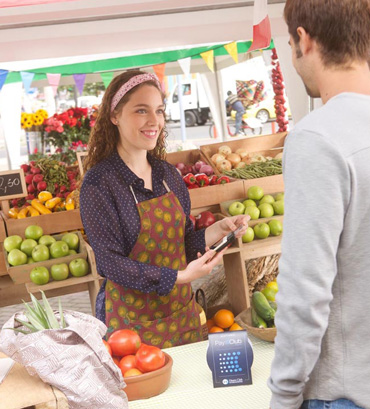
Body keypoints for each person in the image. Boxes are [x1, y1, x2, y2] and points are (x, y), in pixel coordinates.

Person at [79, 70, 249, 349]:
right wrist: (180, 277)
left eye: (159, 111)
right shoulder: (100, 183)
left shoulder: (167, 175)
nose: (154, 121)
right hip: (130, 325)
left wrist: (217, 230)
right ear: (114, 116)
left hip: (180, 314)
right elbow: (110, 263)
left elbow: (179, 244)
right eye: (141, 110)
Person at [267, 1, 370, 408]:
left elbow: (305, 289)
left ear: (303, 40)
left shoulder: (318, 139)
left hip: (346, 391)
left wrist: (284, 395)